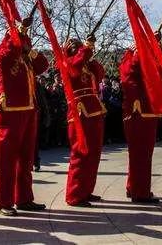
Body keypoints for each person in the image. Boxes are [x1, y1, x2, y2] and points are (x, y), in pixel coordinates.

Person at [0, 19, 49, 216]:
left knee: (26, 159)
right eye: (22, 37)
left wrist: (29, 49)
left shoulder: (26, 58)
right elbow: (10, 51)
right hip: (10, 110)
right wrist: (18, 33)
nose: (26, 41)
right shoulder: (4, 52)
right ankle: (3, 201)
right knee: (7, 159)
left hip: (29, 109)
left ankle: (24, 198)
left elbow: (44, 65)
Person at [63, 36, 106, 207]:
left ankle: (86, 190)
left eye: (79, 44)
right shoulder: (67, 62)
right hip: (79, 112)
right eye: (74, 45)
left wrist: (91, 56)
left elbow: (100, 73)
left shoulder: (86, 63)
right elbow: (76, 64)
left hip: (94, 109)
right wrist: (87, 49)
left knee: (94, 153)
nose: (77, 46)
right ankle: (74, 194)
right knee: (80, 154)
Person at [118, 48, 160, 204]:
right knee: (140, 154)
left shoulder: (140, 62)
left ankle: (134, 187)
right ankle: (140, 192)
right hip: (137, 113)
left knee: (142, 154)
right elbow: (131, 68)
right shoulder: (128, 62)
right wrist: (143, 48)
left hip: (147, 110)